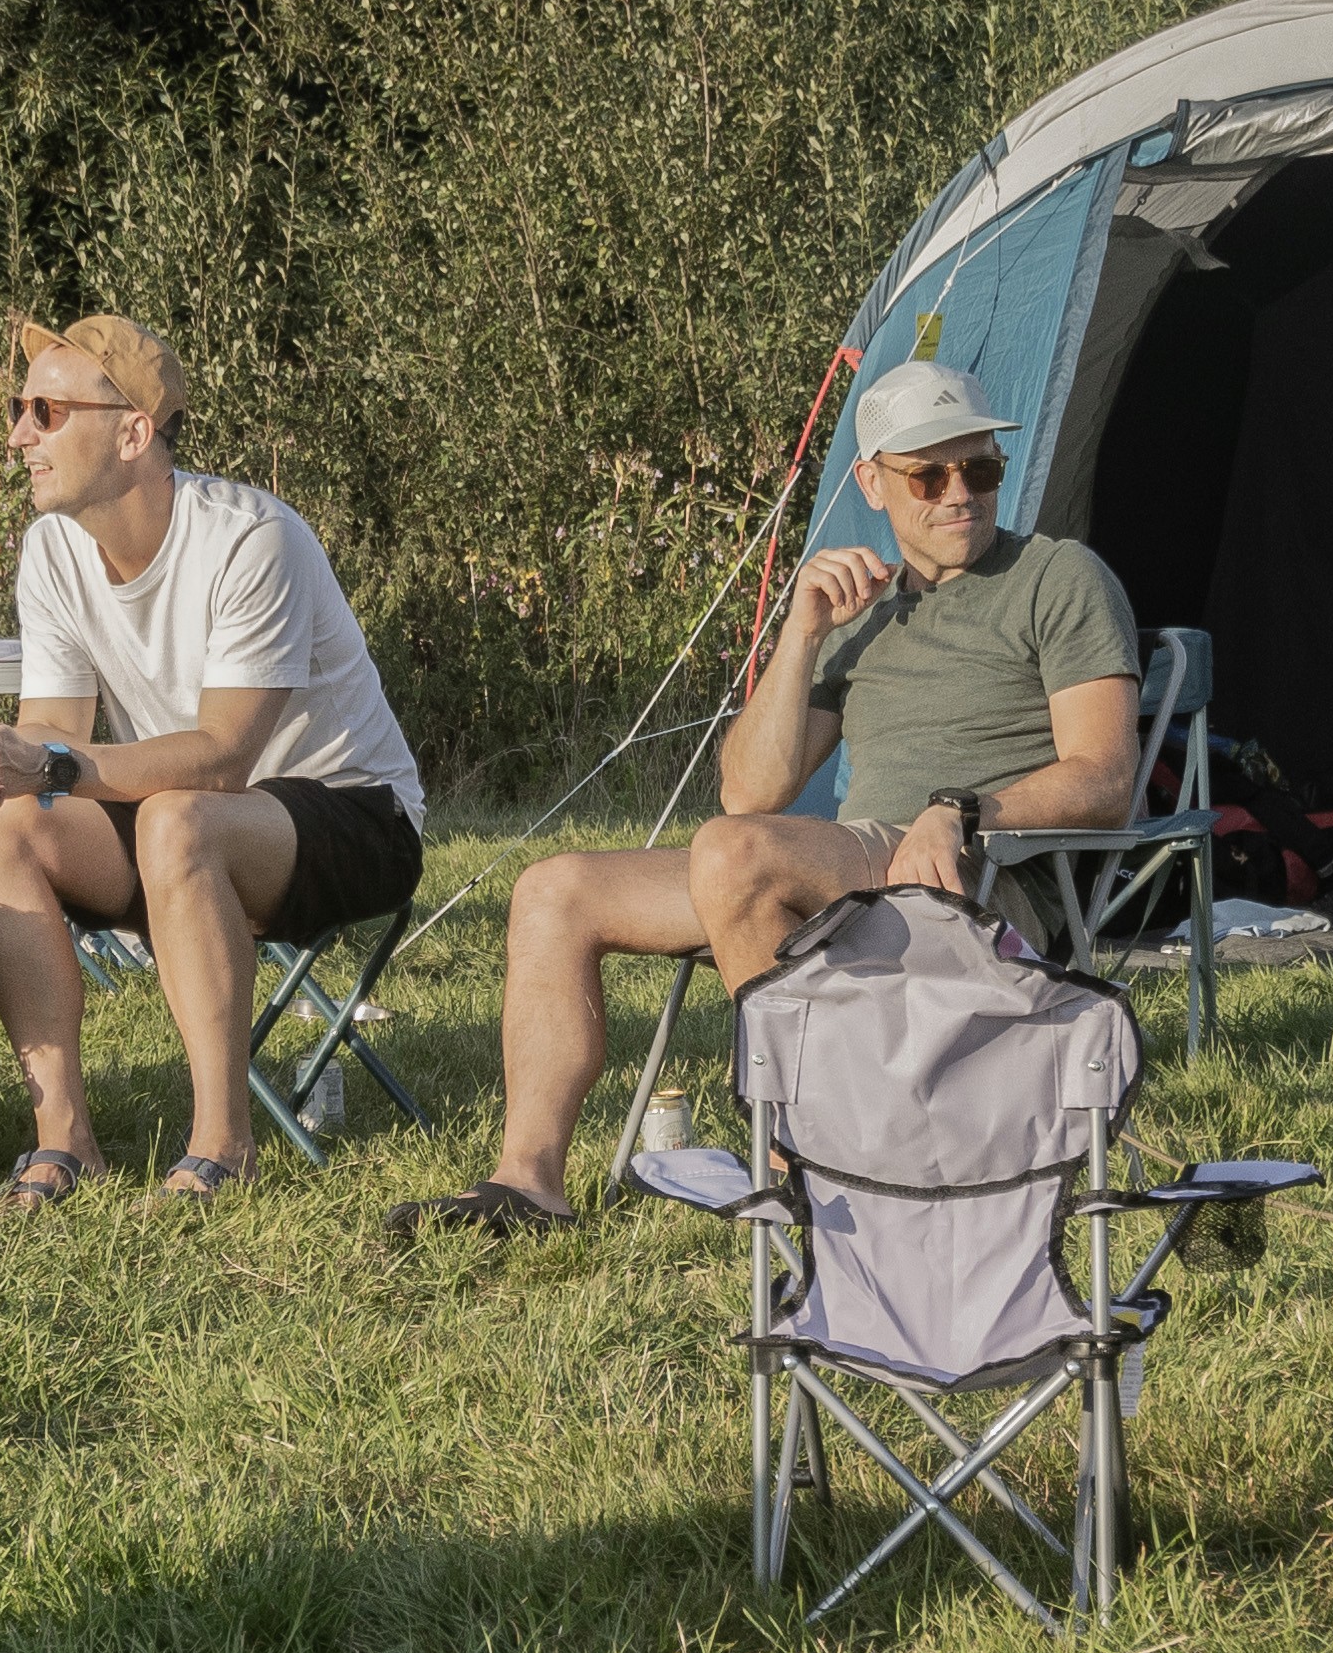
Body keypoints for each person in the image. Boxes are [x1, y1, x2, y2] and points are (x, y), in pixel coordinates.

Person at [390, 355, 1150, 1244]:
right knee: (552, 890)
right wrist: (801, 633)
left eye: (979, 468)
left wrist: (962, 809)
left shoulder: (1059, 578)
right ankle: (529, 1184)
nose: (960, 493)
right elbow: (750, 790)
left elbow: (1105, 776)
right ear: (871, 480)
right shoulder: (862, 611)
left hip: (981, 874)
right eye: (929, 473)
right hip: (850, 871)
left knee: (732, 852)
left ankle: (808, 1161)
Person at [0, 313, 432, 1203]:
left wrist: (52, 764)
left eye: (46, 409)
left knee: (180, 816)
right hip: (176, 819)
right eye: (18, 407)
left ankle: (222, 1144)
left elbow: (226, 758)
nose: (17, 434)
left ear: (132, 431)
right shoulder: (51, 549)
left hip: (350, 813)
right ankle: (64, 1140)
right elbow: (55, 731)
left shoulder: (249, 538)